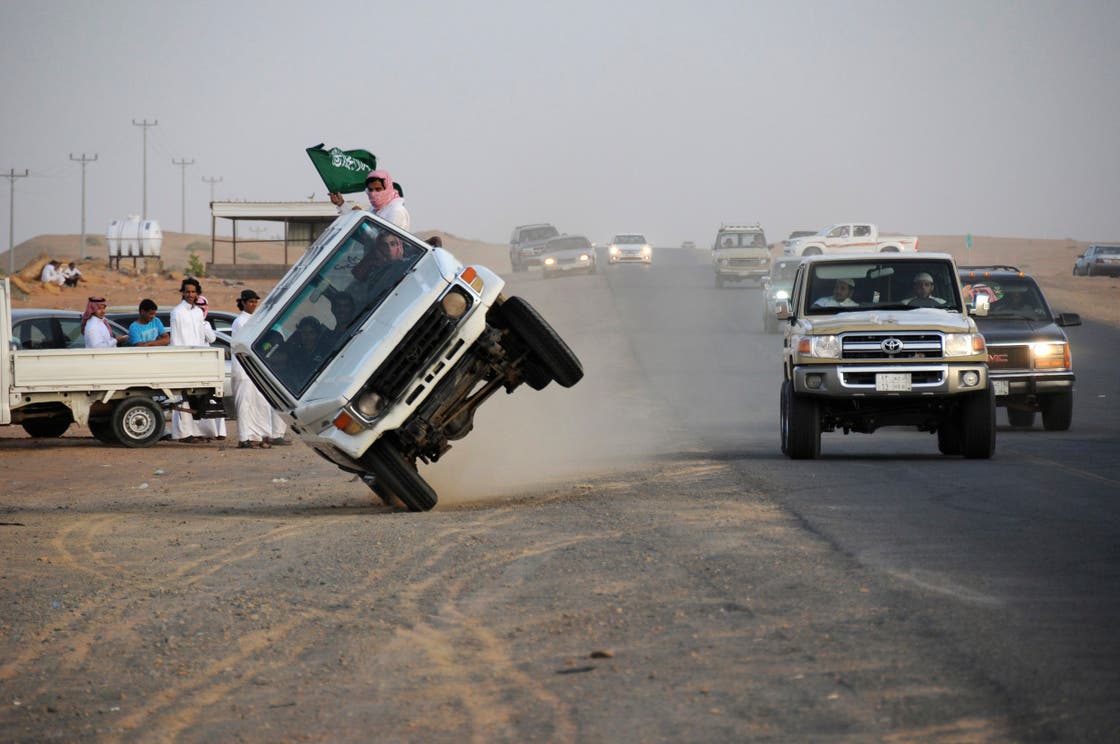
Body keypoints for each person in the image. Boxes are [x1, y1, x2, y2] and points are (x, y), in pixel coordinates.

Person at [170, 278, 217, 443]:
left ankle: (194, 432)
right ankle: (182, 434)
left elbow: (200, 338)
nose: (190, 295)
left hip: (197, 360)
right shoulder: (177, 312)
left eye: (193, 292)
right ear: (182, 292)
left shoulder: (198, 312)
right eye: (187, 292)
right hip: (182, 360)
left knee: (195, 397)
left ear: (198, 293)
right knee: (181, 398)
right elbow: (176, 340)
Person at [230, 289, 273, 449]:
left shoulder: (255, 319)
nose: (253, 305)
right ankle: (244, 438)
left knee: (259, 403)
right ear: (242, 303)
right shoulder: (240, 321)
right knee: (245, 404)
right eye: (250, 302)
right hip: (243, 368)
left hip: (255, 368)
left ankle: (259, 436)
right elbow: (244, 345)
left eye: (255, 302)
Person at [329, 169, 410, 230]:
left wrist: (363, 220)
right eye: (371, 190)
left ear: (387, 188)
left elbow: (384, 240)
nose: (373, 193)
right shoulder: (374, 209)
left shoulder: (396, 211)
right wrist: (341, 204)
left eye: (378, 189)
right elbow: (356, 223)